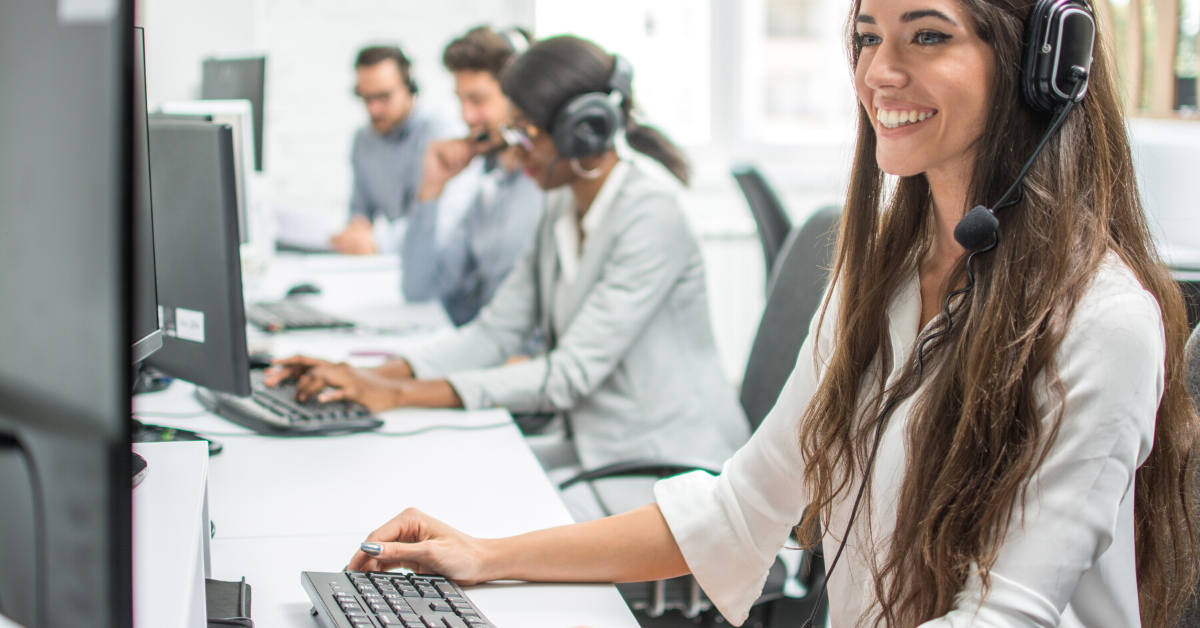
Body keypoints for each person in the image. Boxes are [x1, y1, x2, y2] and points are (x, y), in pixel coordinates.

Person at [338, 2, 1200, 627]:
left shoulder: (1101, 320)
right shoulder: (881, 278)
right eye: (866, 37)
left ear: (1043, 66)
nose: (878, 71)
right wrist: (486, 557)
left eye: (926, 35)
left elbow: (1003, 615)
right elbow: (744, 509)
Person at [267, 36, 750, 521]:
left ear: (581, 130)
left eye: (524, 133)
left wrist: (393, 394)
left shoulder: (650, 211)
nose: (513, 150)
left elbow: (566, 376)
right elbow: (495, 333)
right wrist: (367, 375)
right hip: (599, 450)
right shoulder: (562, 202)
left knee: (479, 515)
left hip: (674, 477)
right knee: (440, 480)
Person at [401, 26, 543, 325]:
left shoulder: (546, 187)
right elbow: (419, 290)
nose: (466, 117)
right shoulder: (489, 190)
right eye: (461, 100)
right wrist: (431, 187)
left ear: (520, 99)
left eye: (478, 100)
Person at [330, 45, 456, 254]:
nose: (373, 109)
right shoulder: (363, 140)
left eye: (383, 97)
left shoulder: (441, 132)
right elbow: (360, 209)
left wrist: (378, 242)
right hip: (391, 265)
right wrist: (356, 230)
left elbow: (442, 220)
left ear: (410, 87)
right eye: (365, 98)